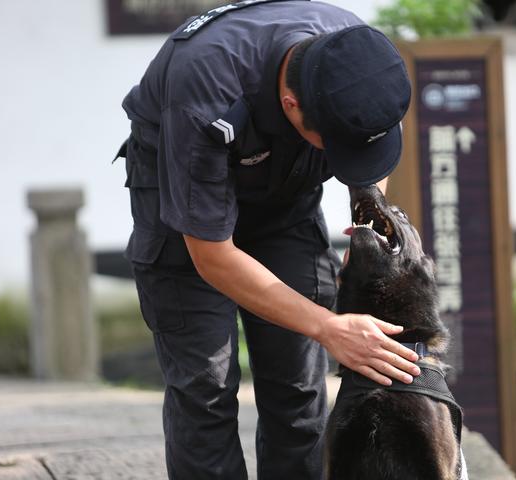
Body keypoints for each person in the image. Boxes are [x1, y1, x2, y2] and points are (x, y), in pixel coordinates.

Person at [117, 1, 419, 478]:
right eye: (337, 148)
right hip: (183, 203)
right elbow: (213, 256)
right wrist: (328, 326)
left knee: (299, 387)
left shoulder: (355, 53)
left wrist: (364, 225)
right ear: (292, 106)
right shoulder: (207, 86)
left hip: (286, 203)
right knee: (207, 390)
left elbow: (369, 157)